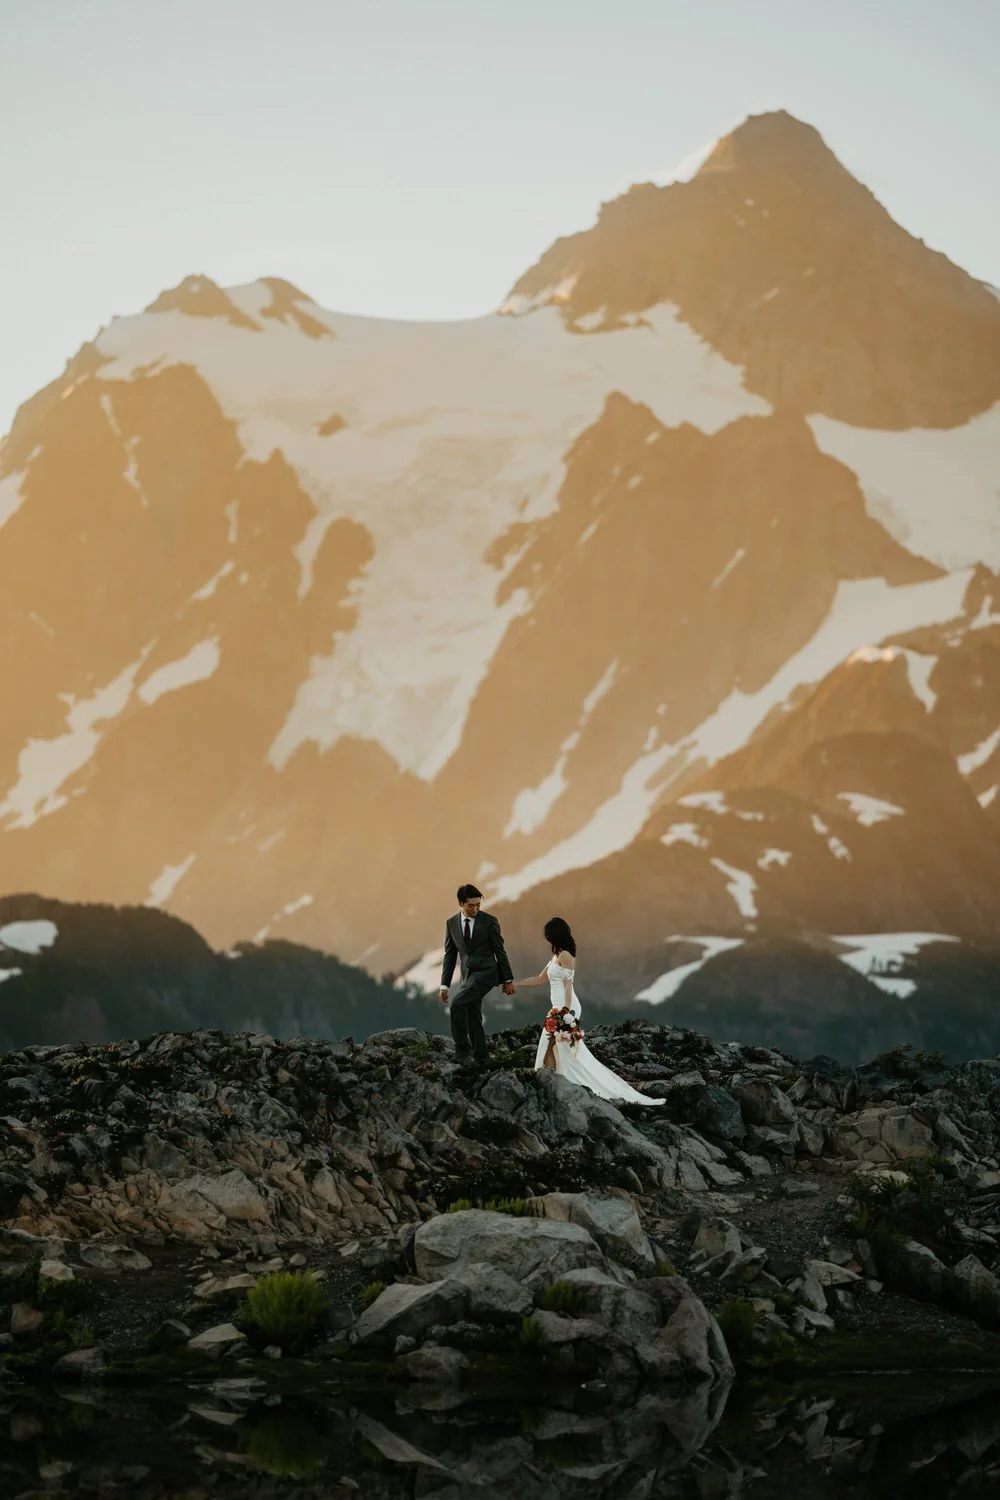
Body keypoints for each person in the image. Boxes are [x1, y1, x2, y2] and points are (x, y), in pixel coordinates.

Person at [515, 917, 664, 1106]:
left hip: (566, 1008)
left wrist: (566, 1012)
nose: (547, 939)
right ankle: (550, 1078)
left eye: (549, 935)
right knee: (550, 1043)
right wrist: (516, 983)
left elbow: (568, 986)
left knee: (560, 1045)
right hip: (557, 1007)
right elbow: (539, 979)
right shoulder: (556, 956)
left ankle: (557, 1081)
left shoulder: (565, 956)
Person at [439, 884, 515, 1065]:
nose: (475, 909)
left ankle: (462, 1050)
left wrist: (508, 979)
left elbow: (500, 951)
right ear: (460, 903)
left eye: (478, 905)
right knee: (473, 1013)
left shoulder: (489, 921)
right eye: (471, 905)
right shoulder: (451, 923)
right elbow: (450, 955)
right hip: (468, 975)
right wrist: (444, 985)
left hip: (487, 973)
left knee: (457, 1004)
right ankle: (481, 1055)